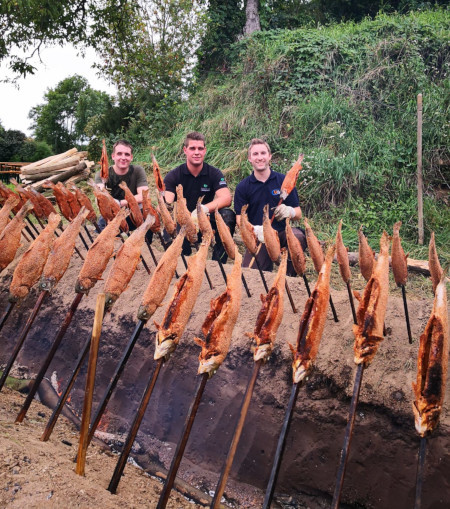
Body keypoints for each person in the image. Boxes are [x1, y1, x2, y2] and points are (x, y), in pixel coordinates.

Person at [234, 138, 306, 276]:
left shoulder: (283, 181)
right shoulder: (243, 187)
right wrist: (254, 229)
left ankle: (289, 277)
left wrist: (289, 211)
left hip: (282, 232)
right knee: (251, 275)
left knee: (298, 236)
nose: (260, 157)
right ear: (249, 158)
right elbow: (239, 219)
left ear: (269, 156)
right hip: (259, 237)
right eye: (255, 154)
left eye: (263, 153)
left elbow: (298, 213)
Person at [163, 131, 236, 261]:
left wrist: (203, 209)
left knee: (227, 215)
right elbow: (166, 203)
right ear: (185, 150)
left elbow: (226, 198)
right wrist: (162, 197)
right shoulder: (174, 175)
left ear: (205, 150)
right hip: (183, 220)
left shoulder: (214, 173)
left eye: (200, 148)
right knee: (169, 233)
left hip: (206, 218)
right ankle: (181, 261)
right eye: (192, 148)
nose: (197, 152)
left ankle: (218, 263)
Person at [94, 140, 151, 238]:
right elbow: (99, 199)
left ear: (131, 157)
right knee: (101, 230)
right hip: (112, 214)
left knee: (148, 218)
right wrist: (103, 187)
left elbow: (144, 196)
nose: (123, 157)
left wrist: (120, 203)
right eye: (119, 154)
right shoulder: (101, 174)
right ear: (113, 156)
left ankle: (145, 244)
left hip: (134, 212)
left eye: (127, 154)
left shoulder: (138, 171)